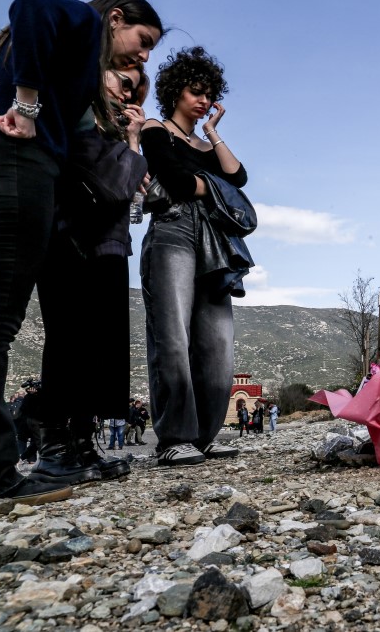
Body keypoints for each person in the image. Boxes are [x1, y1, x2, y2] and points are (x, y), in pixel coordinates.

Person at [0, 0, 162, 507]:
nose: (144, 55)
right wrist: (26, 105)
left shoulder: (62, 63)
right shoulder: (82, 23)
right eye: (144, 40)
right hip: (13, 164)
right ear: (116, 18)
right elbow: (32, 3)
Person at [31, 60, 153, 485]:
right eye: (125, 82)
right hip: (70, 237)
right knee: (68, 338)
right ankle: (54, 449)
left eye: (135, 92)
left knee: (100, 345)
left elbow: (133, 200)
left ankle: (82, 444)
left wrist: (131, 142)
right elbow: (118, 187)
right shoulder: (78, 118)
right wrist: (131, 149)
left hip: (109, 246)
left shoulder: (113, 138)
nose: (127, 94)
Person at [140, 46, 246, 466]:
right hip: (173, 230)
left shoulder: (205, 144)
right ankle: (174, 437)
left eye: (209, 94)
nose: (203, 100)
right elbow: (177, 181)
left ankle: (205, 435)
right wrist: (217, 189)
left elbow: (239, 177)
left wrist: (213, 132)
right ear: (175, 91)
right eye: (195, 92)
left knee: (218, 342)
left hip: (213, 241)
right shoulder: (155, 129)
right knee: (173, 336)